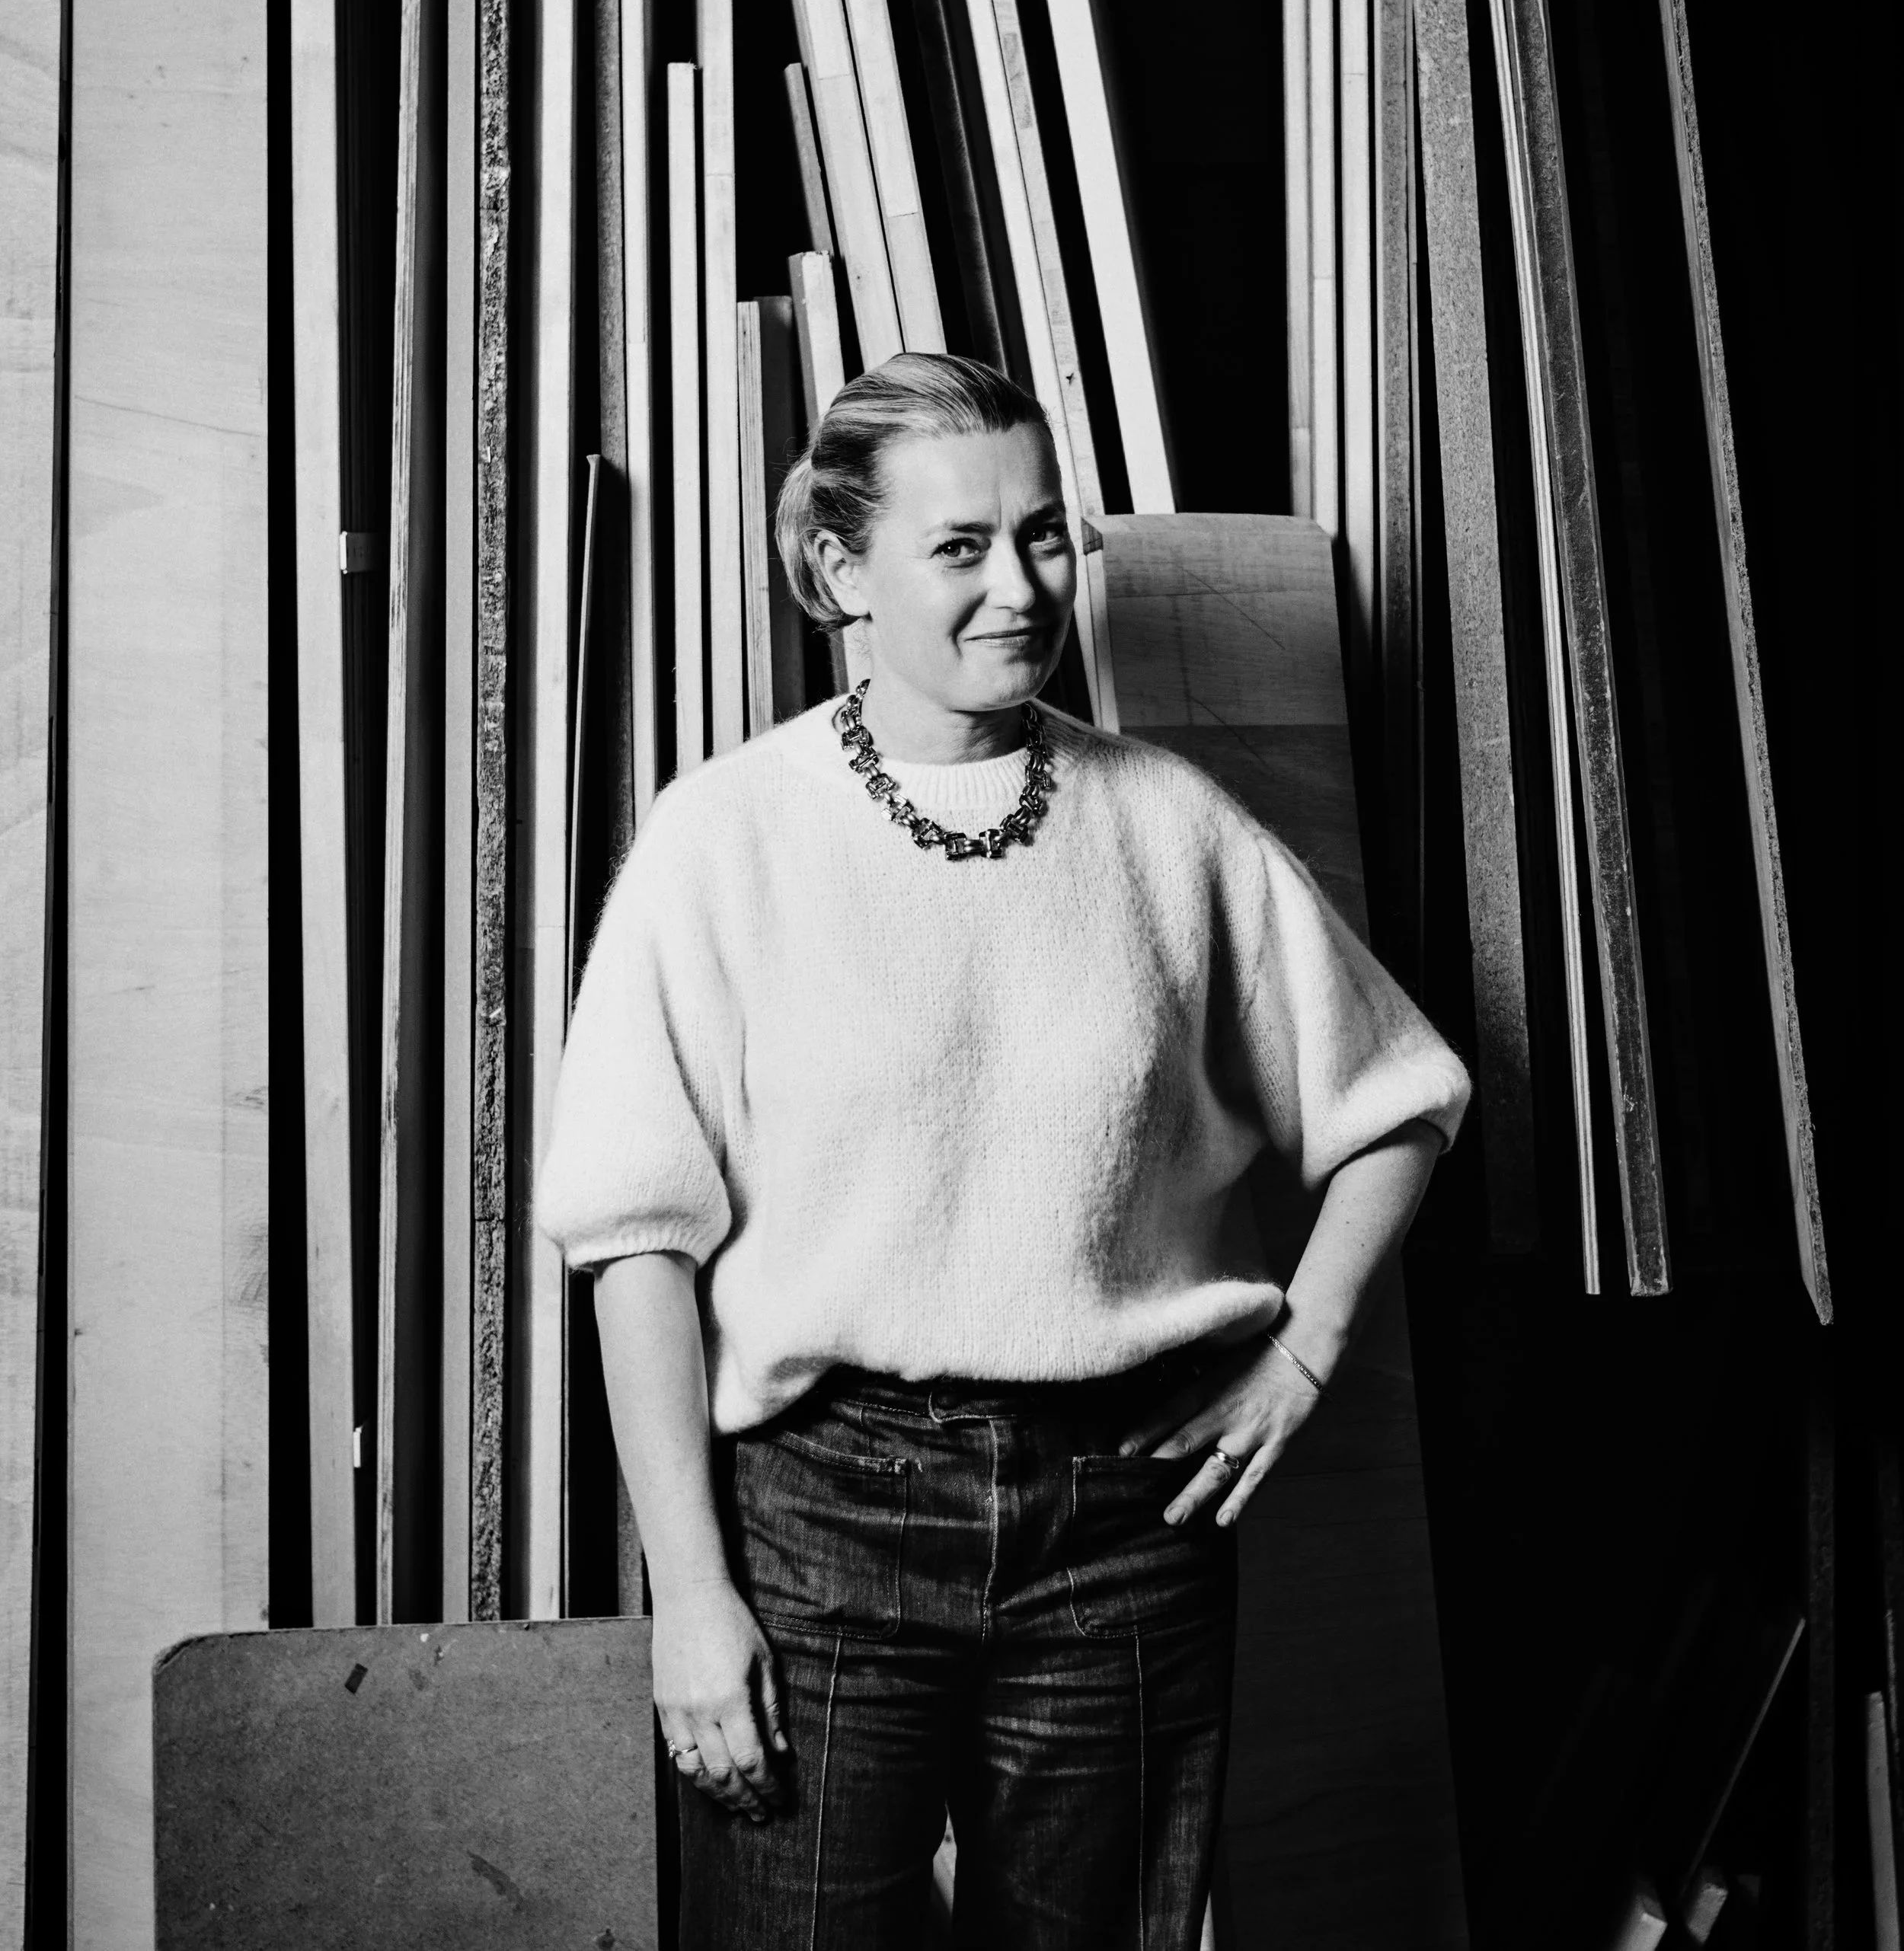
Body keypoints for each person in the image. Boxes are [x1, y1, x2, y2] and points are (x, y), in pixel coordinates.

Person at [538, 353, 1470, 1950]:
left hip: (1124, 1522)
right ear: (841, 569)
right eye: (959, 546)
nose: (1021, 588)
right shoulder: (723, 837)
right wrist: (689, 1594)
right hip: (825, 1521)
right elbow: (636, 1242)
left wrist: (1304, 1349)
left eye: (1041, 535)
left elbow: (1403, 1095)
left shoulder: (1164, 823)